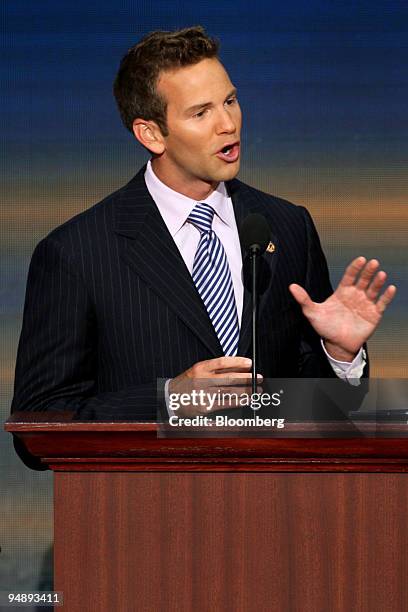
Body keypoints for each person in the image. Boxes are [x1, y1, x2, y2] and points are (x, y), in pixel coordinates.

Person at [10, 26, 396, 427]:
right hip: (148, 489)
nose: (228, 123)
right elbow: (39, 420)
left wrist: (339, 354)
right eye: (201, 112)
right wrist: (168, 400)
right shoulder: (76, 253)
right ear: (151, 134)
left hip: (274, 487)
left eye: (230, 100)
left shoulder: (286, 225)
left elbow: (322, 410)